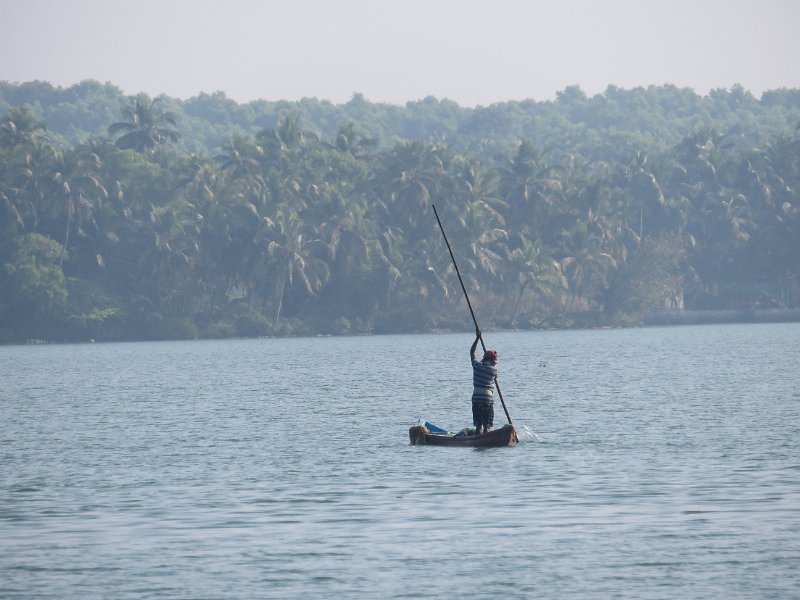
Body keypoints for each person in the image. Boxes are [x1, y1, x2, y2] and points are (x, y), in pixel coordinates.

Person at [470, 328, 498, 436]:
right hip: (487, 400)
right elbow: (496, 375)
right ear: (491, 360)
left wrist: (477, 338)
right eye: (495, 360)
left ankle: (478, 439)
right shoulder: (494, 371)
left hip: (476, 399)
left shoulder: (476, 366)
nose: (496, 362)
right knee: (487, 425)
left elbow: (472, 353)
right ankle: (487, 439)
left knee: (478, 425)